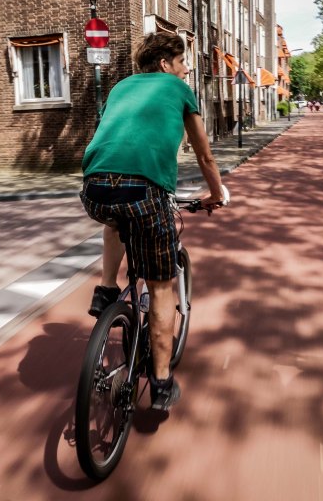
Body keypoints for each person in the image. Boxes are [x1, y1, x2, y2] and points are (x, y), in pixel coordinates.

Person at [80, 33, 226, 411]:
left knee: (115, 219)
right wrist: (216, 193)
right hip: (145, 192)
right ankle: (161, 383)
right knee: (161, 289)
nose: (187, 69)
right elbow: (205, 156)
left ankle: (106, 289)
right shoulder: (178, 90)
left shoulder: (121, 87)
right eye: (182, 62)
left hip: (94, 188)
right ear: (165, 64)